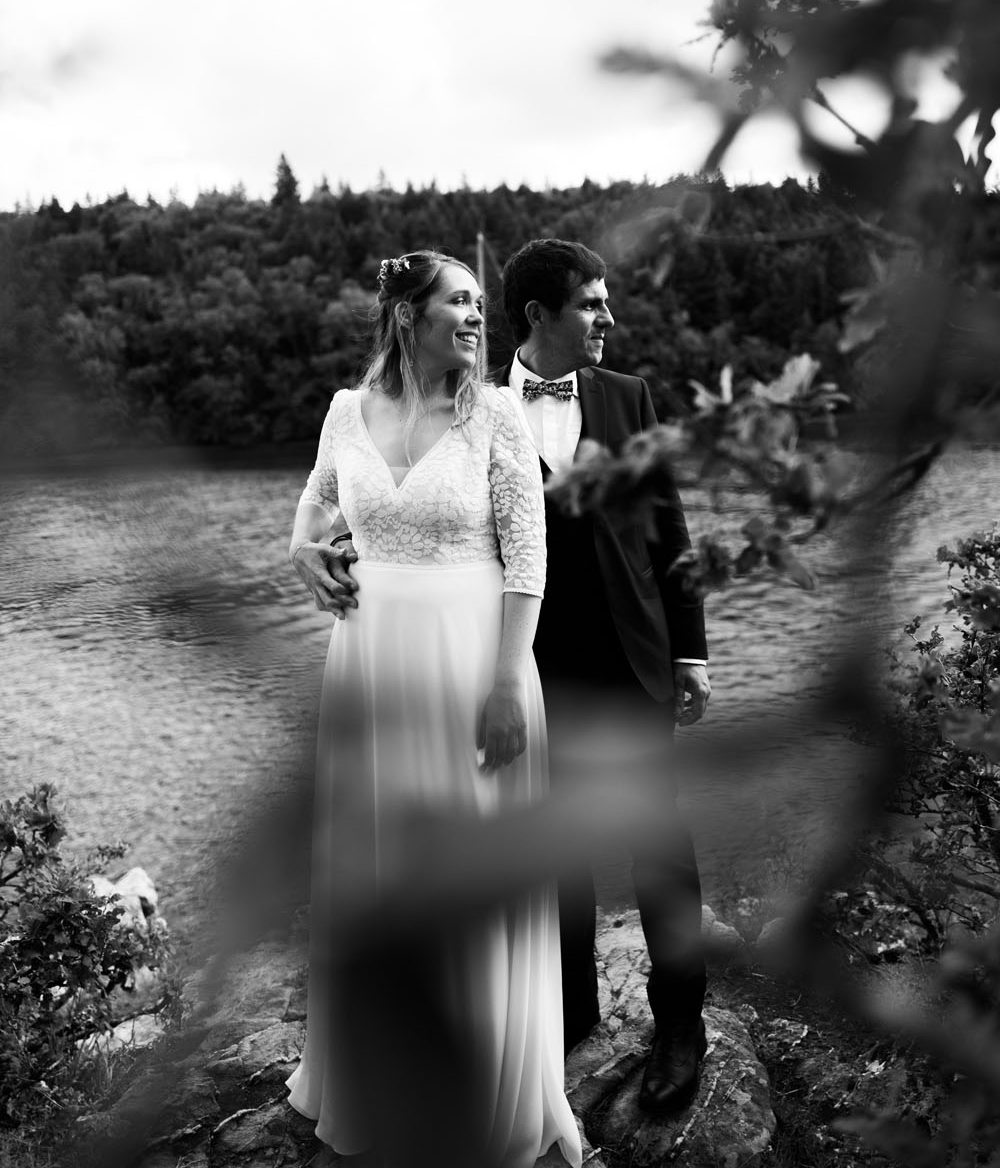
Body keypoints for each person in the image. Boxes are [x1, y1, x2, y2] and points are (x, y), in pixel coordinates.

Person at [284, 250, 582, 1168]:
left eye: (481, 302)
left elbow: (527, 559)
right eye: (458, 300)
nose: (477, 316)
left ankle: (481, 1097)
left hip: (473, 667)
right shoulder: (347, 411)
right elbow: (313, 509)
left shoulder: (493, 414)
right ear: (408, 315)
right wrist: (303, 551)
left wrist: (508, 682)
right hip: (369, 666)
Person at [498, 238, 711, 1118]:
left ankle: (681, 1024)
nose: (607, 319)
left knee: (656, 842)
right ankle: (571, 1009)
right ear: (538, 314)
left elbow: (669, 529)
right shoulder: (477, 410)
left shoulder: (629, 397)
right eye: (591, 303)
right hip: (530, 667)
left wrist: (690, 650)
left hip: (633, 658)